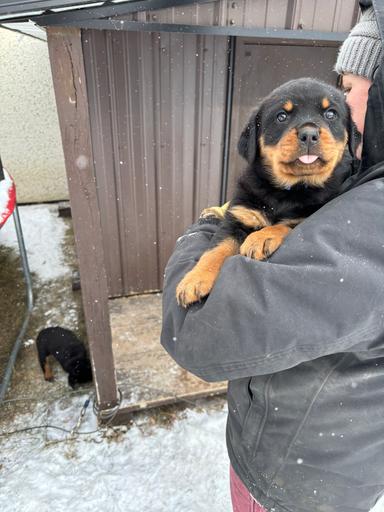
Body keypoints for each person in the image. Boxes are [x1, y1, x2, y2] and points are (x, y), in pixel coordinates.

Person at [161, 1, 384, 511]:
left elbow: (198, 333)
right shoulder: (361, 183)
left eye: (338, 103)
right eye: (287, 122)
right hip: (313, 462)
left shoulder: (363, 212)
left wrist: (202, 232)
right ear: (256, 144)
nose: (309, 130)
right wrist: (217, 248)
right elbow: (231, 233)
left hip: (299, 481)